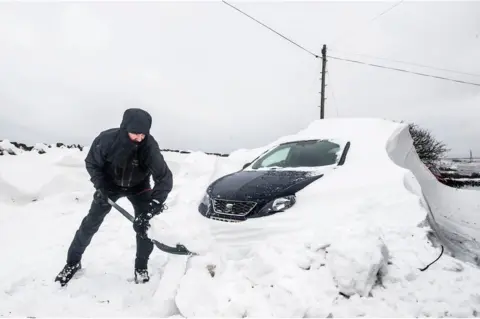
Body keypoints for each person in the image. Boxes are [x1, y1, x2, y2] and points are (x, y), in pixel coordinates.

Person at [55, 108, 173, 286]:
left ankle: (141, 267)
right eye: (135, 134)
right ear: (124, 128)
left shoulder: (149, 146)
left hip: (139, 187)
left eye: (143, 134)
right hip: (109, 186)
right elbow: (92, 163)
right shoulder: (107, 139)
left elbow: (164, 177)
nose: (140, 138)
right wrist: (101, 185)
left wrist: (153, 206)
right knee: (90, 224)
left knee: (144, 227)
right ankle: (72, 262)